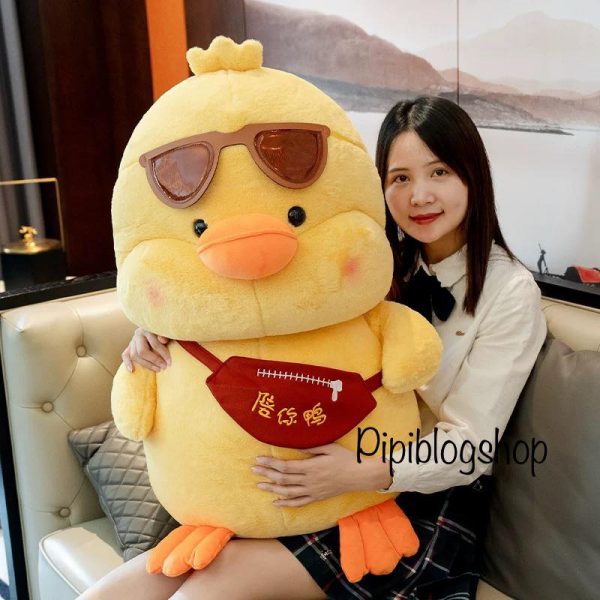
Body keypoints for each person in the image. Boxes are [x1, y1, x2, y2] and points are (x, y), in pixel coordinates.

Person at [81, 96, 546, 599]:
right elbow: (258, 307)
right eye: (400, 178)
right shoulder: (367, 264)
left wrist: (358, 473)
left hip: (421, 498)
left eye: (439, 172)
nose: (420, 195)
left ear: (473, 177)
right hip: (312, 468)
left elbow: (473, 446)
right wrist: (157, 332)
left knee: (204, 590)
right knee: (118, 591)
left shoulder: (510, 293)